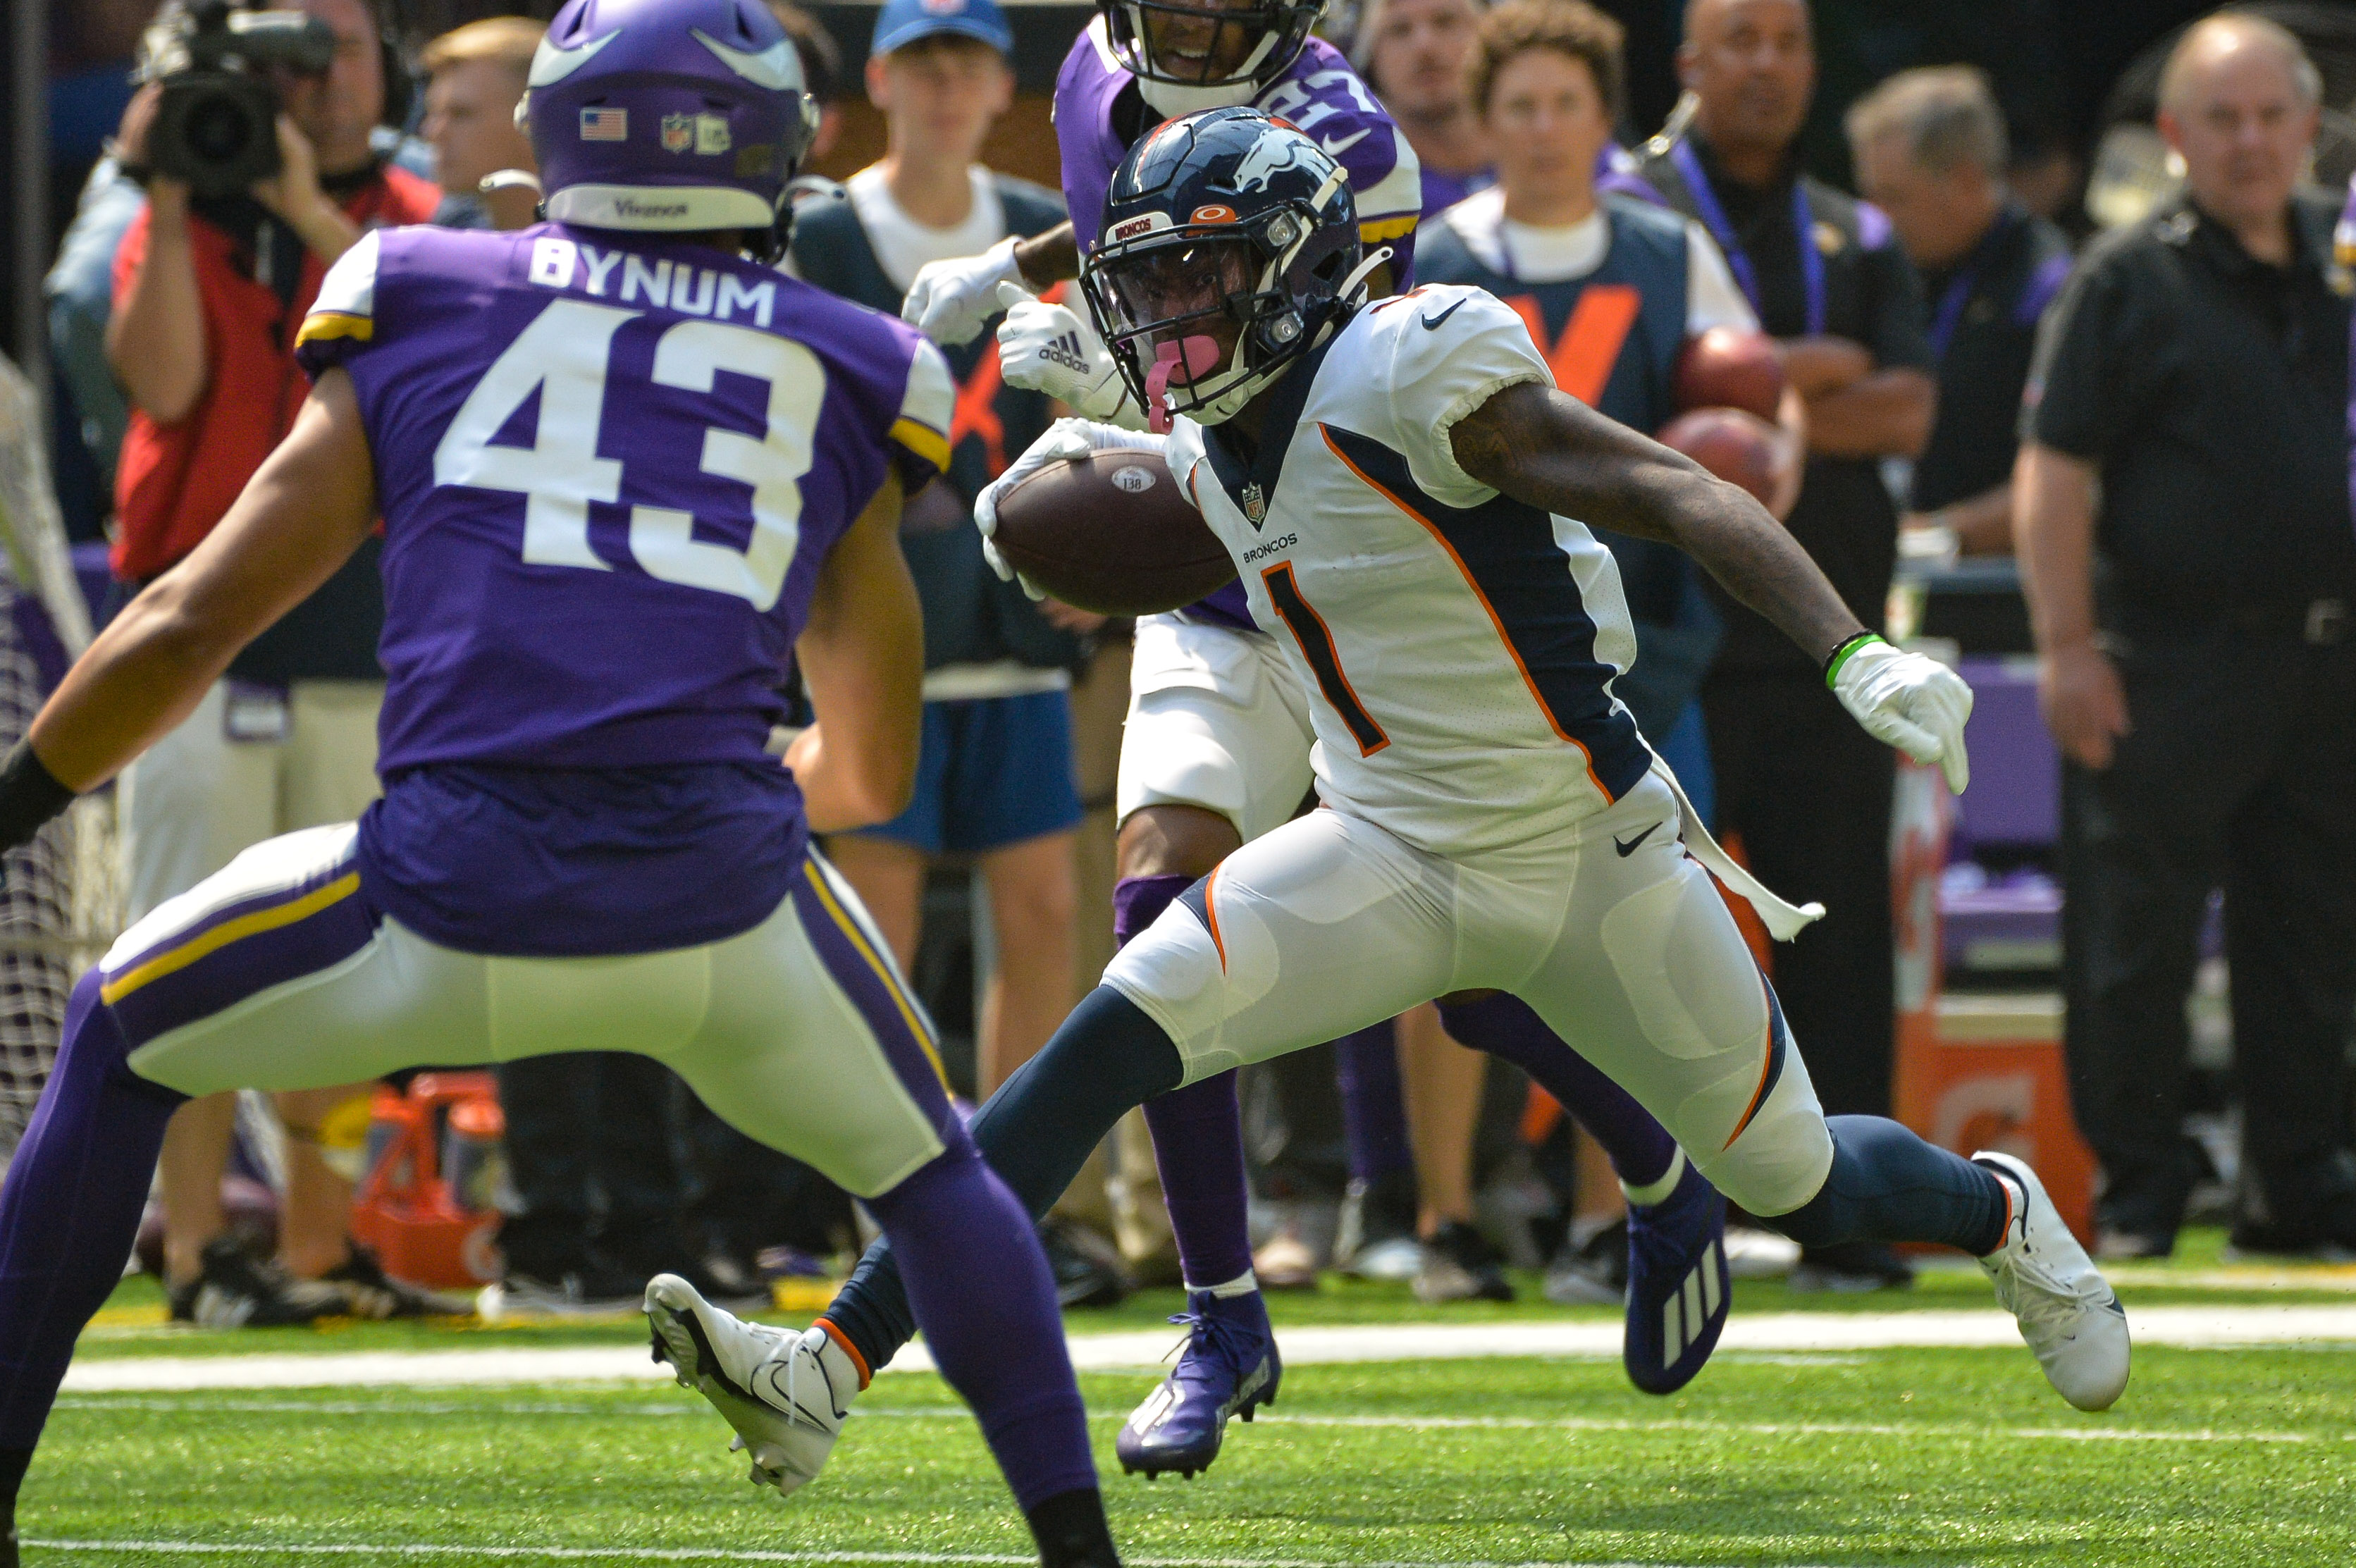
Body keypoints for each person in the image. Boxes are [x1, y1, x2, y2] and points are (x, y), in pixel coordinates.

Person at [657, 111, 2130, 1508]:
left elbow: (1674, 485)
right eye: (1154, 277)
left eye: (1206, 270)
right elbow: (1206, 474)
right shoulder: (1214, 421)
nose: (1173, 309)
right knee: (1112, 1027)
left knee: (1796, 1175)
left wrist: (1850, 648)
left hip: (1587, 854)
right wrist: (1073, 446)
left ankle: (1999, 1213)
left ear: (1299, 266)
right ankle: (825, 1367)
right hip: (1384, 845)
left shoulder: (1414, 367)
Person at [0, 4, 1122, 1567]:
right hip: (727, 923)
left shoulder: (420, 287)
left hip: (435, 898)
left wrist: (16, 804)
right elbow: (869, 766)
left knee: (122, 1036)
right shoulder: (852, 358)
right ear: (768, 145)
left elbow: (188, 618)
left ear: (559, 127)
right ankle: (1079, 1546)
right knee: (935, 1166)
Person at [912, 0, 1729, 1475]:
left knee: (1476, 973)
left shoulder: (1352, 140)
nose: (1196, 31)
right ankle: (1222, 1314)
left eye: (1230, 8)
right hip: (1208, 587)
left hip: (1334, 565)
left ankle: (1656, 1156)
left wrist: (1103, 391)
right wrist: (1019, 266)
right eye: (1174, 5)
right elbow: (1134, 234)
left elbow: (1295, 384)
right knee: (1161, 893)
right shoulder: (1095, 71)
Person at [1416, 0, 1805, 1305]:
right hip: (1462, 637)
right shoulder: (1431, 252)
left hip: (1635, 644)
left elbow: (1753, 396)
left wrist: (1770, 461)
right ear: (1483, 121)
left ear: (1602, 117)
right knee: (1443, 933)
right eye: (1515, 106)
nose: (1538, 130)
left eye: (1562, 104)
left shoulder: (1661, 245)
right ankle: (1443, 1216)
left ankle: (1610, 1212)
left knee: (1638, 938)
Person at [105, 0, 445, 1328]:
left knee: (348, 955)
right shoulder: (177, 203)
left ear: (382, 69)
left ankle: (319, 1244)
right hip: (196, 639)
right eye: (280, 64)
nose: (304, 86)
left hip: (359, 632)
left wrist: (309, 212)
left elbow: (430, 357)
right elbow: (163, 383)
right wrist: (173, 184)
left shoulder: (408, 215)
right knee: (177, 943)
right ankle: (198, 1252)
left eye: (333, 56)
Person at [2017, 14, 2356, 1261]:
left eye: (2271, 115)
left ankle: (2296, 1189)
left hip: (2326, 662)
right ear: (2170, 138)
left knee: (2310, 934)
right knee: (2132, 943)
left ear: (2309, 126)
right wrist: (2065, 646)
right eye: (2220, 118)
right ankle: (2141, 1195)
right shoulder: (2122, 276)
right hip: (2164, 660)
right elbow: (2054, 472)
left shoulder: (2346, 255)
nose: (2250, 141)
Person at [1634, 0, 1937, 1295]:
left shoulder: (1857, 229)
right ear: (1687, 62)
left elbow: (1908, 404)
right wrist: (1808, 379)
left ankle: (1844, 1214)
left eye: (1786, 41)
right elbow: (1636, 408)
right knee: (1643, 937)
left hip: (1826, 643)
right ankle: (1645, 1207)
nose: (1764, 63)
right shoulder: (1628, 214)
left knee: (1839, 938)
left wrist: (1759, 391)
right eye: (1736, 38)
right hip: (1664, 640)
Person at [1846, 67, 2070, 557]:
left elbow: (2079, 473)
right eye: (1868, 196)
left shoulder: (2048, 290)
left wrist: (1938, 534)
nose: (1872, 221)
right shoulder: (1894, 268)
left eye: (1892, 198)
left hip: (2002, 590)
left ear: (1966, 180)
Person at [419, 15, 545, 230]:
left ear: (533, 122)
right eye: (434, 113)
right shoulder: (452, 234)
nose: (432, 132)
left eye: (461, 114)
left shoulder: (602, 249)